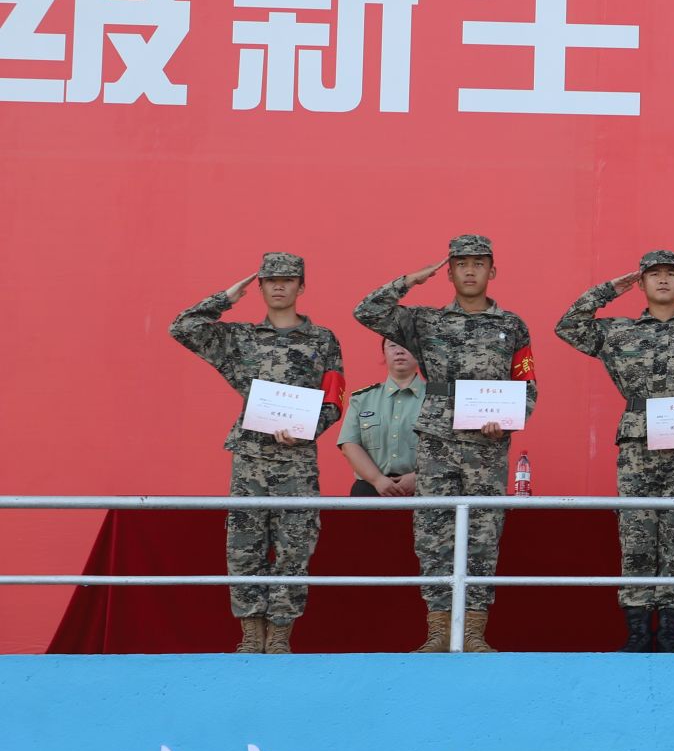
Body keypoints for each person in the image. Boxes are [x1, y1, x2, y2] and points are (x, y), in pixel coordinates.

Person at [355, 235, 537, 655]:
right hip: (438, 443)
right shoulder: (425, 321)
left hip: (487, 448)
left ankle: (473, 632)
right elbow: (367, 310)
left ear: (492, 271)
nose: (470, 271)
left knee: (483, 538)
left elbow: (526, 383)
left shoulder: (512, 326)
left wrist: (510, 421)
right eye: (461, 264)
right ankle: (438, 631)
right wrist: (411, 280)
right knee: (433, 535)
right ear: (449, 272)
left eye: (479, 263)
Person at [556, 250, 674, 654]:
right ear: (640, 283)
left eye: (671, 273)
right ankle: (637, 631)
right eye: (654, 274)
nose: (663, 280)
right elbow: (568, 325)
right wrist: (608, 290)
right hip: (638, 444)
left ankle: (670, 632)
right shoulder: (618, 331)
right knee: (636, 536)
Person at [170, 253, 346, 656]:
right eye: (271, 280)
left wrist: (305, 431)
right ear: (261, 286)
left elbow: (335, 398)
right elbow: (182, 327)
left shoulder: (323, 340)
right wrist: (226, 298)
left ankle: (280, 634)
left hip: (297, 462)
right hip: (250, 458)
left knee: (294, 547)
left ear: (302, 286)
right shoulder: (240, 338)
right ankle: (251, 635)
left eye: (288, 279)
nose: (279, 286)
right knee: (244, 547)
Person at [338, 339, 425, 498]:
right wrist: (377, 480)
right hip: (370, 489)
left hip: (425, 489)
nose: (399, 351)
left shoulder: (436, 399)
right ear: (383, 353)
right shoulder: (362, 398)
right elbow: (349, 444)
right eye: (392, 345)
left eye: (406, 346)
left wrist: (419, 477)